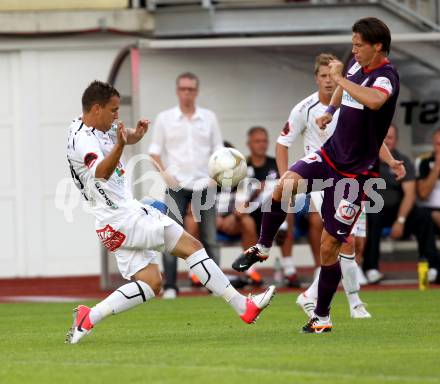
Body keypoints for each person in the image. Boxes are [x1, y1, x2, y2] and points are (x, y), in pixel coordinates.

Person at [65, 80, 275, 344]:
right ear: (96, 109)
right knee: (193, 246)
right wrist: (120, 146)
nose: (117, 115)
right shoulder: (82, 140)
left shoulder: (95, 125)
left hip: (111, 222)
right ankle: (243, 306)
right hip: (124, 218)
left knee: (151, 283)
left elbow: (119, 135)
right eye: (114, 110)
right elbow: (102, 172)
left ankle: (88, 317)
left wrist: (134, 136)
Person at [232, 17, 405, 333]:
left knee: (330, 246)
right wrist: (330, 111)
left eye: (358, 44)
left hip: (356, 176)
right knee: (284, 186)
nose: (353, 49)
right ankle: (263, 246)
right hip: (330, 155)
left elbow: (375, 100)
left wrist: (340, 81)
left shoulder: (386, 76)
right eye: (352, 43)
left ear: (377, 46)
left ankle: (322, 316)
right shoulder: (354, 64)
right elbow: (344, 91)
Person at [275, 53, 371, 318]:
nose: (329, 81)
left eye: (333, 75)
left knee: (356, 243)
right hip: (322, 178)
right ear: (316, 78)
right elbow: (282, 144)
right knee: (344, 240)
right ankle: (355, 304)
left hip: (353, 177)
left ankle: (312, 294)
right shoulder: (304, 108)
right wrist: (286, 183)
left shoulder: (351, 102)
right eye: (324, 76)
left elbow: (370, 135)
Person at [148, 72, 223, 299]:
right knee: (170, 236)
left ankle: (214, 286)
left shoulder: (209, 117)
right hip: (176, 186)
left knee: (210, 237)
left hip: (204, 184)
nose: (187, 93)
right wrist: (165, 175)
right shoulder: (165, 118)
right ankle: (171, 285)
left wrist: (215, 177)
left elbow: (219, 150)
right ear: (177, 91)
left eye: (191, 89)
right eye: (183, 89)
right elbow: (154, 152)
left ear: (196, 91)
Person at [219, 128, 299, 287]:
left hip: (272, 209)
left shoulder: (276, 164)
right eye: (257, 141)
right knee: (246, 219)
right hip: (250, 211)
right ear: (249, 144)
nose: (261, 145)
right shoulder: (242, 167)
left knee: (286, 209)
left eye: (264, 141)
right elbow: (238, 199)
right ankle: (251, 270)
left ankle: (289, 269)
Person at [364, 125, 440, 284]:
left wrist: (400, 221)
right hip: (373, 209)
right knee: (372, 215)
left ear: (396, 140)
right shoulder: (366, 158)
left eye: (390, 137)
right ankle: (371, 268)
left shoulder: (402, 160)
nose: (386, 140)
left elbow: (410, 194)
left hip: (398, 210)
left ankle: (432, 266)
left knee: (423, 216)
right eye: (383, 137)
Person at [417, 128, 440, 236]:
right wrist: (437, 167)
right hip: (431, 211)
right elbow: (423, 194)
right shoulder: (424, 162)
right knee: (432, 215)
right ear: (433, 145)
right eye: (439, 144)